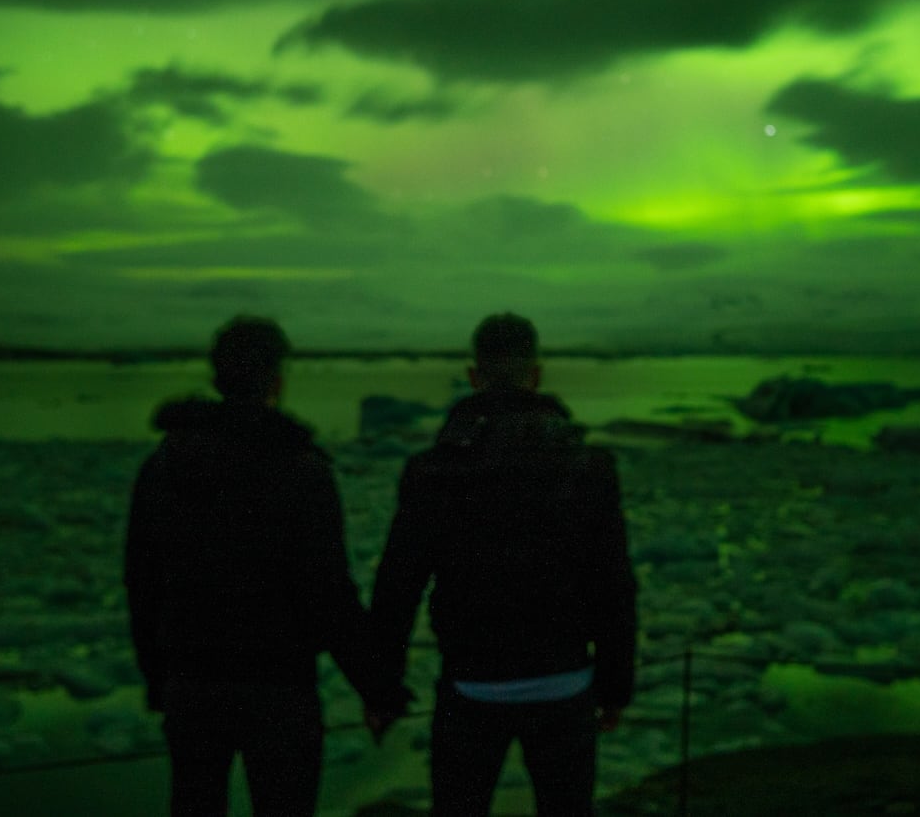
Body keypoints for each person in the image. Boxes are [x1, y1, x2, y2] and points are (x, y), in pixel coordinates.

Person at [124, 315, 405, 816]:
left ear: (217, 376)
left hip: (192, 681)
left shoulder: (166, 463)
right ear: (276, 379)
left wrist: (158, 675)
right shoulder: (299, 469)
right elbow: (328, 591)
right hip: (278, 688)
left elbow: (141, 579)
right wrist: (377, 687)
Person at [367, 312, 638, 816]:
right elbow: (614, 584)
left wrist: (381, 689)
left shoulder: (434, 471)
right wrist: (615, 684)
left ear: (474, 376)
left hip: (472, 685)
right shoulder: (587, 467)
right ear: (536, 374)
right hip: (566, 684)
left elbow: (397, 587)